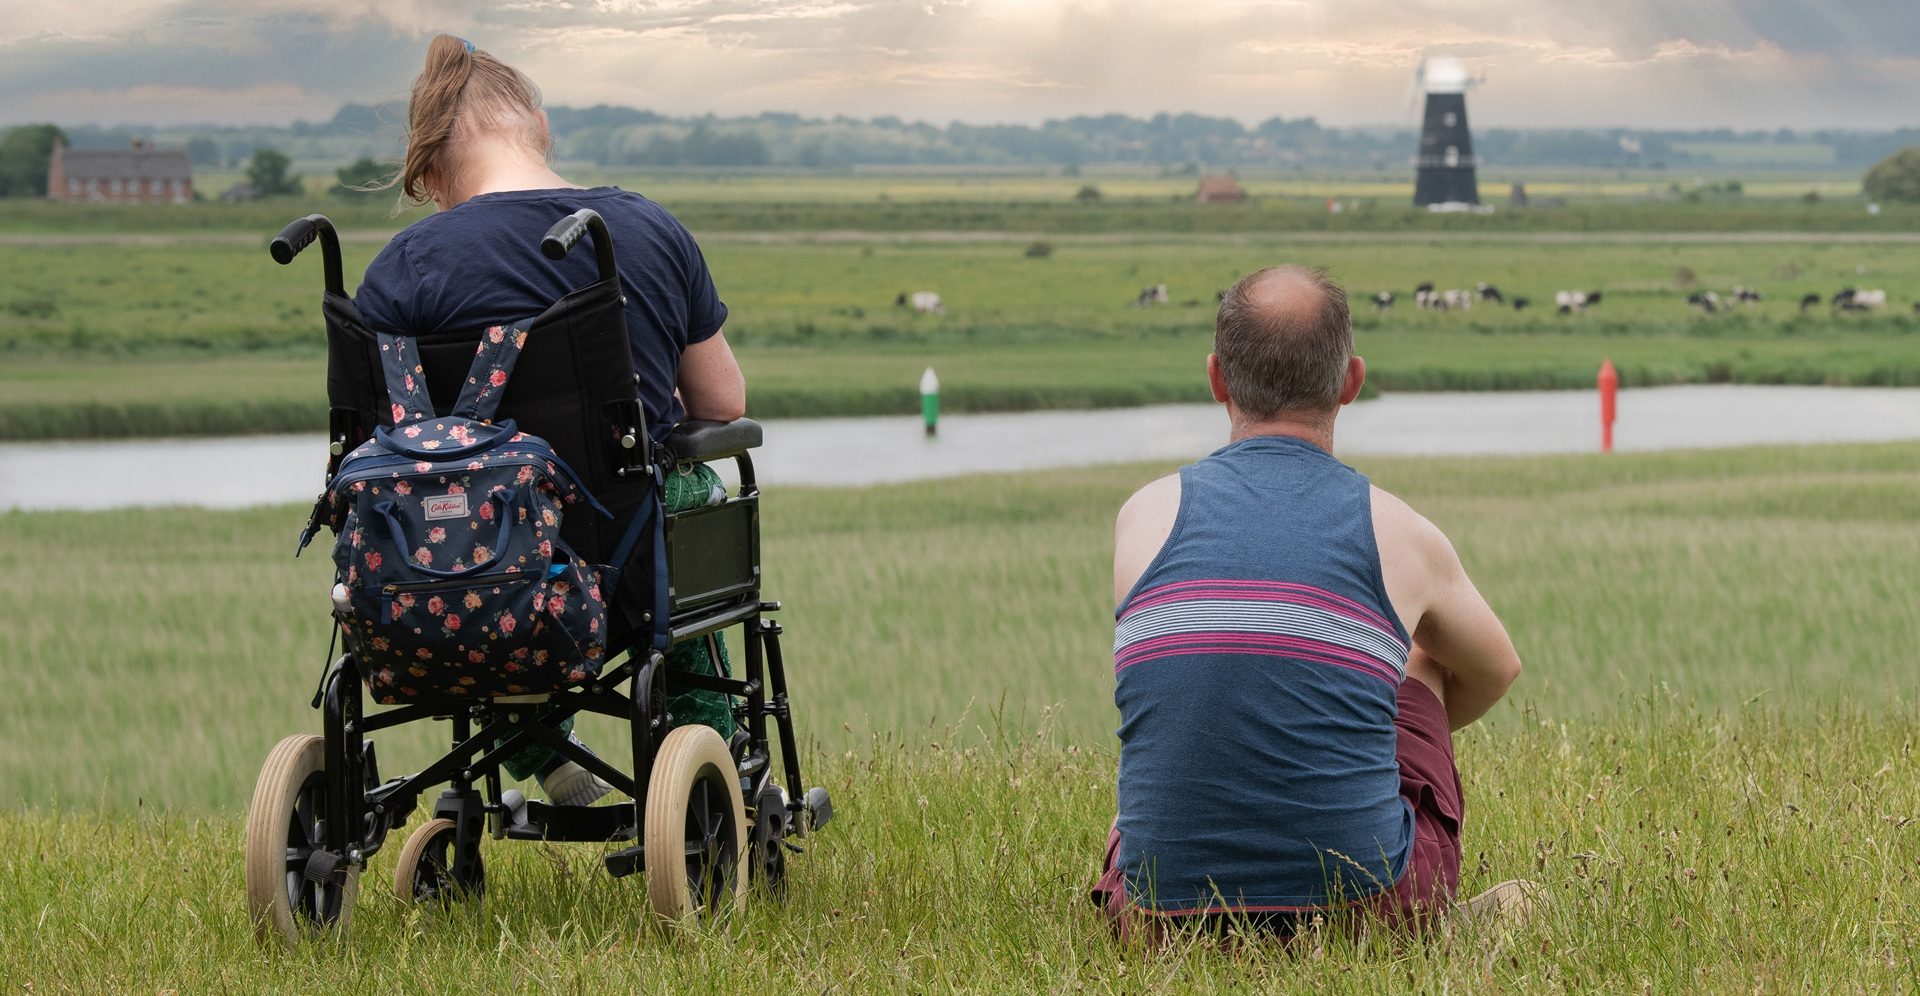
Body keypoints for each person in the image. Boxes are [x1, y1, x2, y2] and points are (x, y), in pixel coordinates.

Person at [356, 35, 745, 808]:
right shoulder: (648, 230)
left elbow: (384, 445)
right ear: (538, 123)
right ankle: (710, 744)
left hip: (456, 556)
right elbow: (723, 405)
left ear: (432, 172)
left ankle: (536, 750)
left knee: (476, 521)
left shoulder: (403, 265)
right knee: (692, 494)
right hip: (626, 554)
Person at [1092, 265, 1532, 937]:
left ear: (1216, 378)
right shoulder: (1400, 532)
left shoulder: (1143, 516)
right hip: (1362, 914)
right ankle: (1435, 924)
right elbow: (1496, 669)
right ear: (1352, 380)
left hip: (1157, 921)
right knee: (1419, 655)